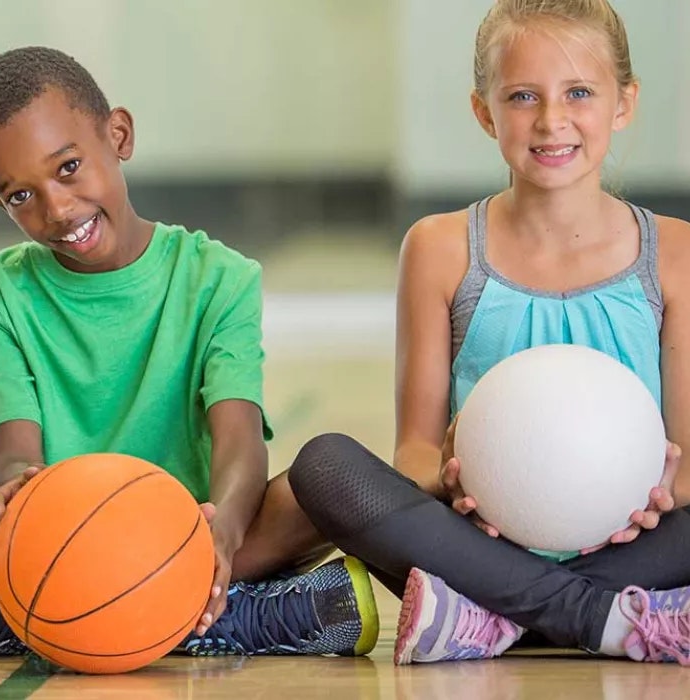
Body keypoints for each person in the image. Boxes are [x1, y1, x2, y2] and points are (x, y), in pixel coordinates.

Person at [0, 46, 377, 661]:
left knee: (324, 483)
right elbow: (17, 450)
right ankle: (227, 617)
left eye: (69, 167)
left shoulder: (219, 277)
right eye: (20, 196)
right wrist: (13, 493)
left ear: (118, 135)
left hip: (192, 533)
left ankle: (39, 619)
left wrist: (223, 533)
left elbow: (238, 439)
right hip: (65, 536)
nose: (57, 209)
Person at [289, 0, 690, 665]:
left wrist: (656, 495)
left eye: (580, 92)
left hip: (628, 548)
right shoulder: (440, 247)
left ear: (623, 104)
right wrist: (451, 481)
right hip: (479, 543)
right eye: (523, 95)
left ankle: (493, 618)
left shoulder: (674, 254)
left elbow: (689, 465)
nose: (551, 120)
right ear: (485, 112)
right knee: (325, 465)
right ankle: (603, 620)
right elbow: (414, 451)